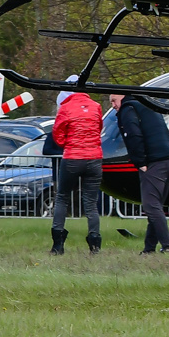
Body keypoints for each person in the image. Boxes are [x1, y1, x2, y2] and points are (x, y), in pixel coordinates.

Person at [112, 93, 169, 254]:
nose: (113, 105)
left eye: (114, 101)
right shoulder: (147, 105)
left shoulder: (128, 109)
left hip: (154, 160)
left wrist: (139, 162)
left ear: (123, 97)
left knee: (151, 206)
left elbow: (133, 135)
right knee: (155, 205)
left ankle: (168, 246)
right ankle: (149, 249)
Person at [51, 85, 104, 254]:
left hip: (73, 157)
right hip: (94, 157)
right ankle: (95, 243)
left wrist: (68, 143)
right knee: (91, 203)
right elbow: (99, 128)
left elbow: (57, 133)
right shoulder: (96, 106)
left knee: (62, 197)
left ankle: (58, 244)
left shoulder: (66, 108)